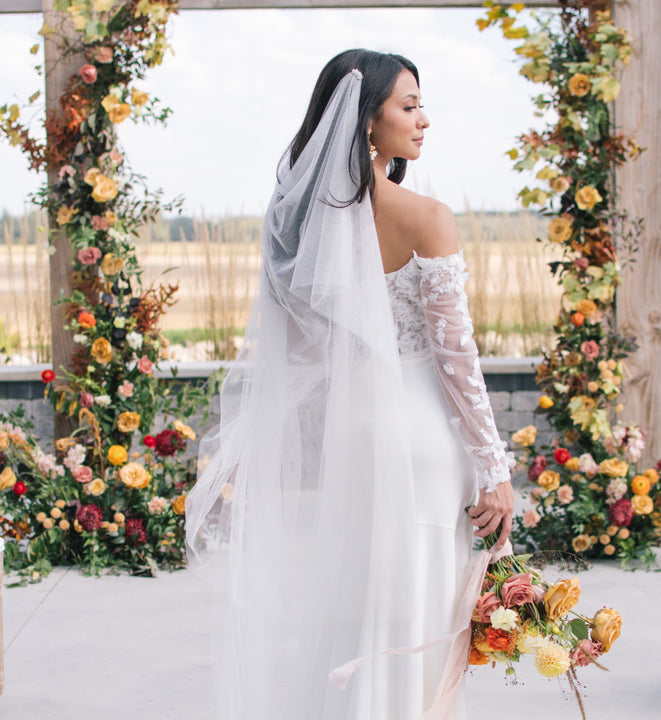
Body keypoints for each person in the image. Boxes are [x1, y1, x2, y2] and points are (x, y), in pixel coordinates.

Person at [186, 49, 514, 720]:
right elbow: (457, 361)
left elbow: (302, 346)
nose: (424, 119)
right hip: (422, 435)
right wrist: (495, 469)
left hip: (357, 433)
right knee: (418, 614)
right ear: (368, 125)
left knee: (364, 605)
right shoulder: (427, 216)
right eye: (409, 105)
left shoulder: (305, 223)